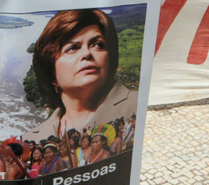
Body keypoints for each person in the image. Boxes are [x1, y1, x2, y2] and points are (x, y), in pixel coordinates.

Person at [23, 9, 137, 140]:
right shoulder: (31, 139)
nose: (86, 53)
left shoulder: (138, 106)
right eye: (72, 48)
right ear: (52, 74)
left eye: (97, 45)